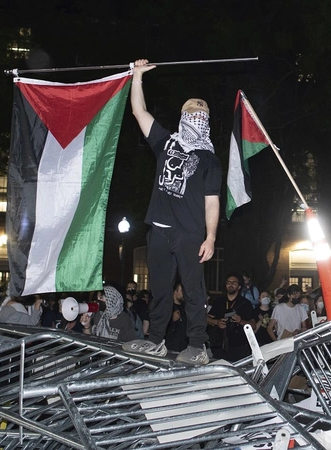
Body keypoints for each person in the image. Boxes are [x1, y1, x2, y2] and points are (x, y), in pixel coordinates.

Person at [122, 59, 222, 365]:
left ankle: (197, 345)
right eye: (191, 115)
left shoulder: (210, 160)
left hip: (189, 233)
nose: (196, 120)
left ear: (206, 122)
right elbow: (139, 111)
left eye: (201, 117)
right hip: (159, 230)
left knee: (193, 290)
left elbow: (212, 201)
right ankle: (155, 341)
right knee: (160, 290)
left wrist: (210, 237)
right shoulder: (165, 142)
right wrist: (137, 76)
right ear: (183, 117)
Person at [207, 274, 255, 361]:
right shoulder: (219, 301)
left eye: (234, 283)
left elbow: (253, 325)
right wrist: (217, 322)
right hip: (219, 346)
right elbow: (207, 318)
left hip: (239, 346)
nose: (230, 284)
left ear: (239, 286)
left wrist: (241, 321)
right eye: (228, 282)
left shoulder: (245, 303)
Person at [165, 282, 189, 352]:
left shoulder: (186, 309)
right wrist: (172, 320)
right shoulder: (167, 308)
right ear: (175, 292)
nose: (184, 294)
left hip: (183, 348)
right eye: (181, 291)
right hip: (170, 348)